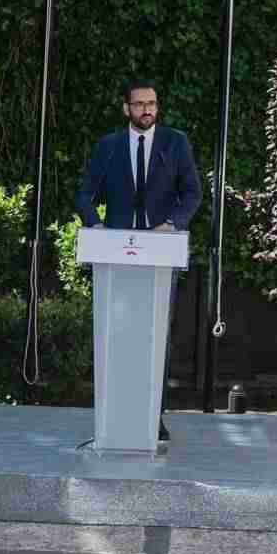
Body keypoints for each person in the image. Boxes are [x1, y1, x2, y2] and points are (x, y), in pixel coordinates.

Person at [74, 79, 202, 439]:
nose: (147, 110)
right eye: (140, 104)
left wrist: (172, 224)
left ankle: (152, 417)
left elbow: (192, 193)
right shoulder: (109, 146)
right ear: (126, 108)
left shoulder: (174, 143)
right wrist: (96, 225)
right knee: (119, 334)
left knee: (156, 335)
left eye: (152, 104)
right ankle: (115, 416)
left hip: (160, 252)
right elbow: (84, 193)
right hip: (116, 254)